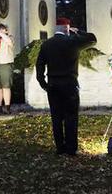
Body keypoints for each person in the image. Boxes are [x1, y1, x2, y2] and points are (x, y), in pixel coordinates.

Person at [35, 17, 97, 155]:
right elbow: (92, 39)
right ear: (67, 28)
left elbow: (39, 65)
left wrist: (43, 83)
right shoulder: (72, 41)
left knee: (56, 117)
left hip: (53, 84)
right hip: (69, 83)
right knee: (71, 116)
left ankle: (60, 147)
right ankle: (71, 148)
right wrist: (77, 31)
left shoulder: (47, 44)